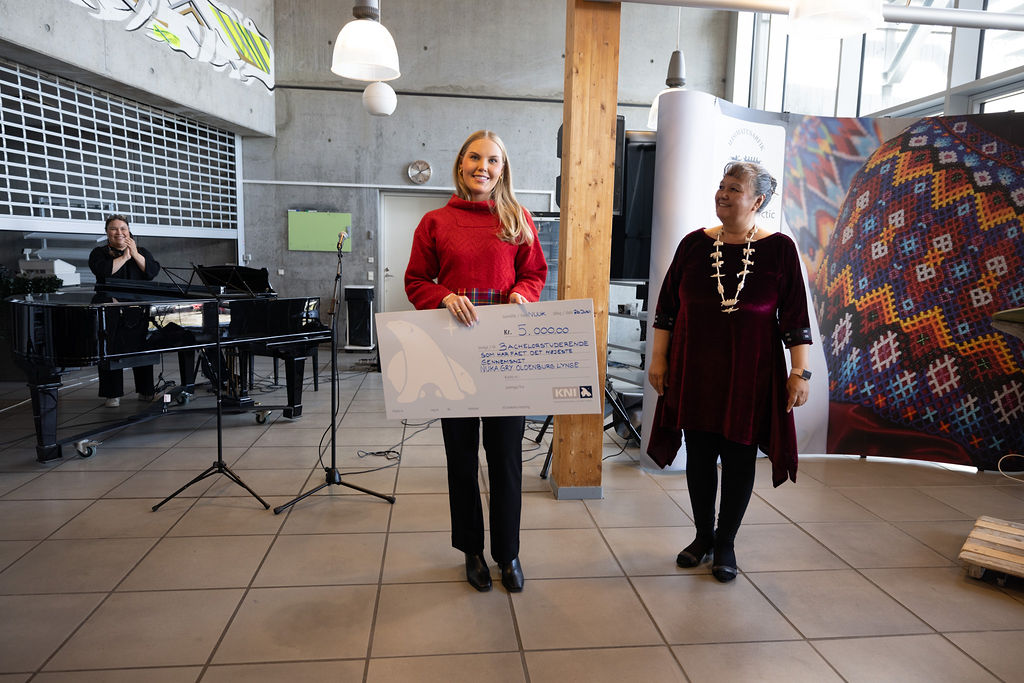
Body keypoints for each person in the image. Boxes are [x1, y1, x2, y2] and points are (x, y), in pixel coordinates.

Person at [646, 161, 812, 583]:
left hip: (750, 373)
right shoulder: (692, 245)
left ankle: (726, 542)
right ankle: (703, 536)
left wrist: (800, 372)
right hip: (694, 370)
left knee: (739, 456)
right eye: (721, 186)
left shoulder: (779, 249)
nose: (723, 194)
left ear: (757, 201)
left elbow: (795, 317)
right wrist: (659, 358)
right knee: (700, 455)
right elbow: (667, 310)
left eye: (734, 188)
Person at [405, 130, 547, 593]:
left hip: (505, 355)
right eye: (474, 157)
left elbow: (534, 273)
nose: (482, 167)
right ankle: (471, 550)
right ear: (460, 163)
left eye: (492, 160)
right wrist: (444, 296)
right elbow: (415, 280)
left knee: (506, 458)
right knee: (462, 458)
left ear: (503, 170)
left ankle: (508, 553)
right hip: (455, 354)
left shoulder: (517, 217)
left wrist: (522, 294)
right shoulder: (435, 222)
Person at [88, 214, 161, 407]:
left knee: (143, 347)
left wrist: (134, 253)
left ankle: (146, 391)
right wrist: (125, 256)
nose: (119, 232)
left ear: (129, 231)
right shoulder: (98, 253)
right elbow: (105, 272)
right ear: (107, 233)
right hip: (110, 309)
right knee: (110, 349)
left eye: (123, 228)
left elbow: (151, 272)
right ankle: (112, 394)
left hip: (139, 309)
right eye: (113, 228)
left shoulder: (141, 251)